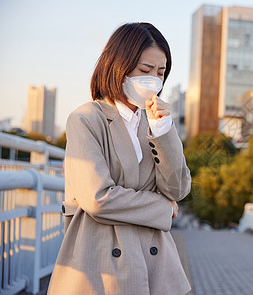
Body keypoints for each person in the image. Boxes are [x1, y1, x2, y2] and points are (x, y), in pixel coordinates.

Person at [48, 22, 191, 295]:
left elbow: (178, 189)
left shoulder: (153, 124)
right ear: (119, 66)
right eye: (145, 70)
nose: (154, 80)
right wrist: (163, 209)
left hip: (154, 263)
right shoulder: (86, 119)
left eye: (161, 72)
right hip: (101, 263)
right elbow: (98, 198)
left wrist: (164, 130)